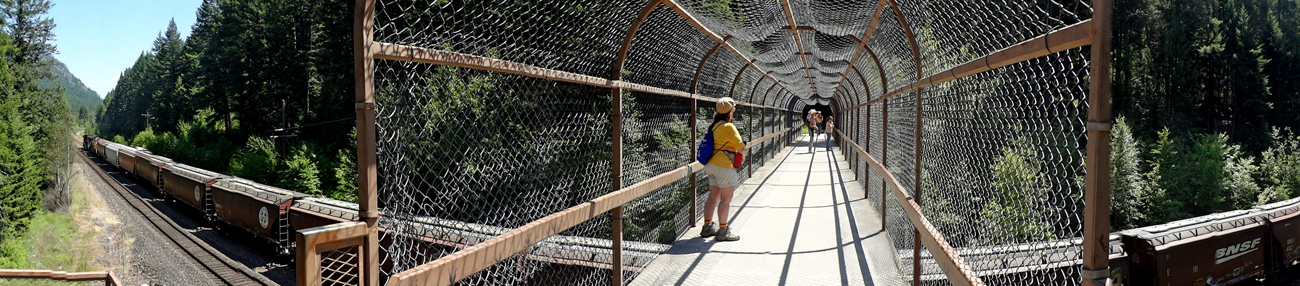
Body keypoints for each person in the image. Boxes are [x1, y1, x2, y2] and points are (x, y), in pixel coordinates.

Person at [701, 97, 745, 241]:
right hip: (724, 167)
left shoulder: (714, 125)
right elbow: (741, 147)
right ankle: (723, 230)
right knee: (726, 199)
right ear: (730, 111)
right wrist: (741, 159)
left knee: (713, 196)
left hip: (711, 165)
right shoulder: (728, 126)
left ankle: (707, 226)